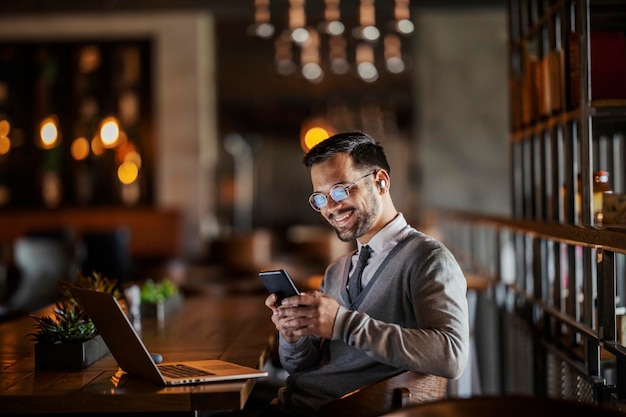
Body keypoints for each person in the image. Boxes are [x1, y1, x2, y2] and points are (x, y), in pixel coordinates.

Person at [257, 131, 470, 416]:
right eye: (319, 198)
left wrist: (343, 323)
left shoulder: (428, 258)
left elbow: (452, 356)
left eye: (340, 190)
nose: (330, 208)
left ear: (381, 182)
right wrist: (293, 335)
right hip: (294, 402)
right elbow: (301, 367)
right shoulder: (336, 271)